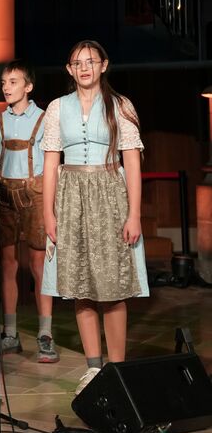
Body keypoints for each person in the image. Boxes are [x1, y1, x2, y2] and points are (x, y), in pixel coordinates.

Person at [41, 40, 146, 396]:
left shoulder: (120, 105)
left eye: (91, 61)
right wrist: (48, 213)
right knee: (80, 285)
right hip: (71, 197)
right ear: (69, 70)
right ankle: (93, 368)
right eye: (77, 63)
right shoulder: (58, 108)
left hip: (110, 195)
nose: (84, 67)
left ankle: (117, 370)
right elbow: (50, 163)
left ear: (104, 65)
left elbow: (131, 161)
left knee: (112, 287)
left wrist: (134, 213)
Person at [0, 60, 57, 363]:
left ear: (29, 86)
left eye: (13, 82)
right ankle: (10, 333)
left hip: (35, 194)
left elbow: (52, 163)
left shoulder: (44, 118)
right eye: (4, 82)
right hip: (5, 195)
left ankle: (45, 334)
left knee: (39, 265)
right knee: (8, 263)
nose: (6, 87)